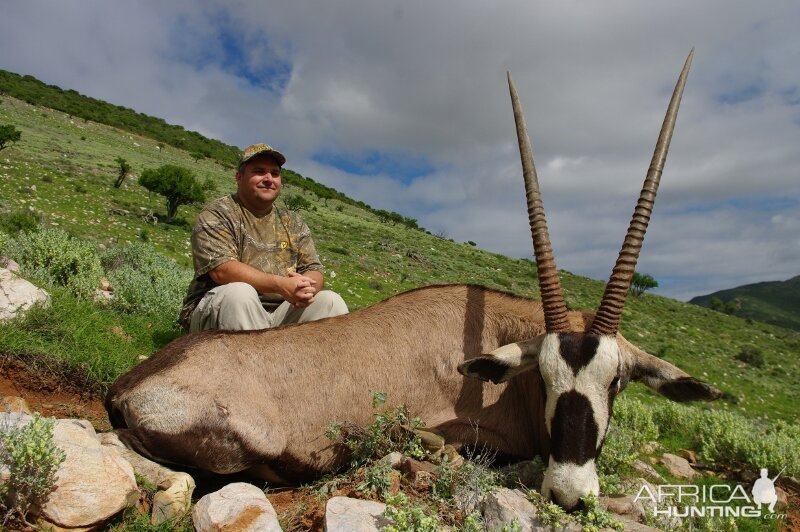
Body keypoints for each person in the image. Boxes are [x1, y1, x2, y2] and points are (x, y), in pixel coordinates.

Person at [179, 143, 348, 332]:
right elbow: (222, 271)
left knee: (331, 302)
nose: (269, 179)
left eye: (275, 174)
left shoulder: (293, 222)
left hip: (279, 313)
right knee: (239, 293)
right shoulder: (218, 214)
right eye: (259, 172)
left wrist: (304, 288)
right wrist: (281, 285)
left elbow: (313, 269)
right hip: (226, 309)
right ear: (239, 177)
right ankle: (245, 361)